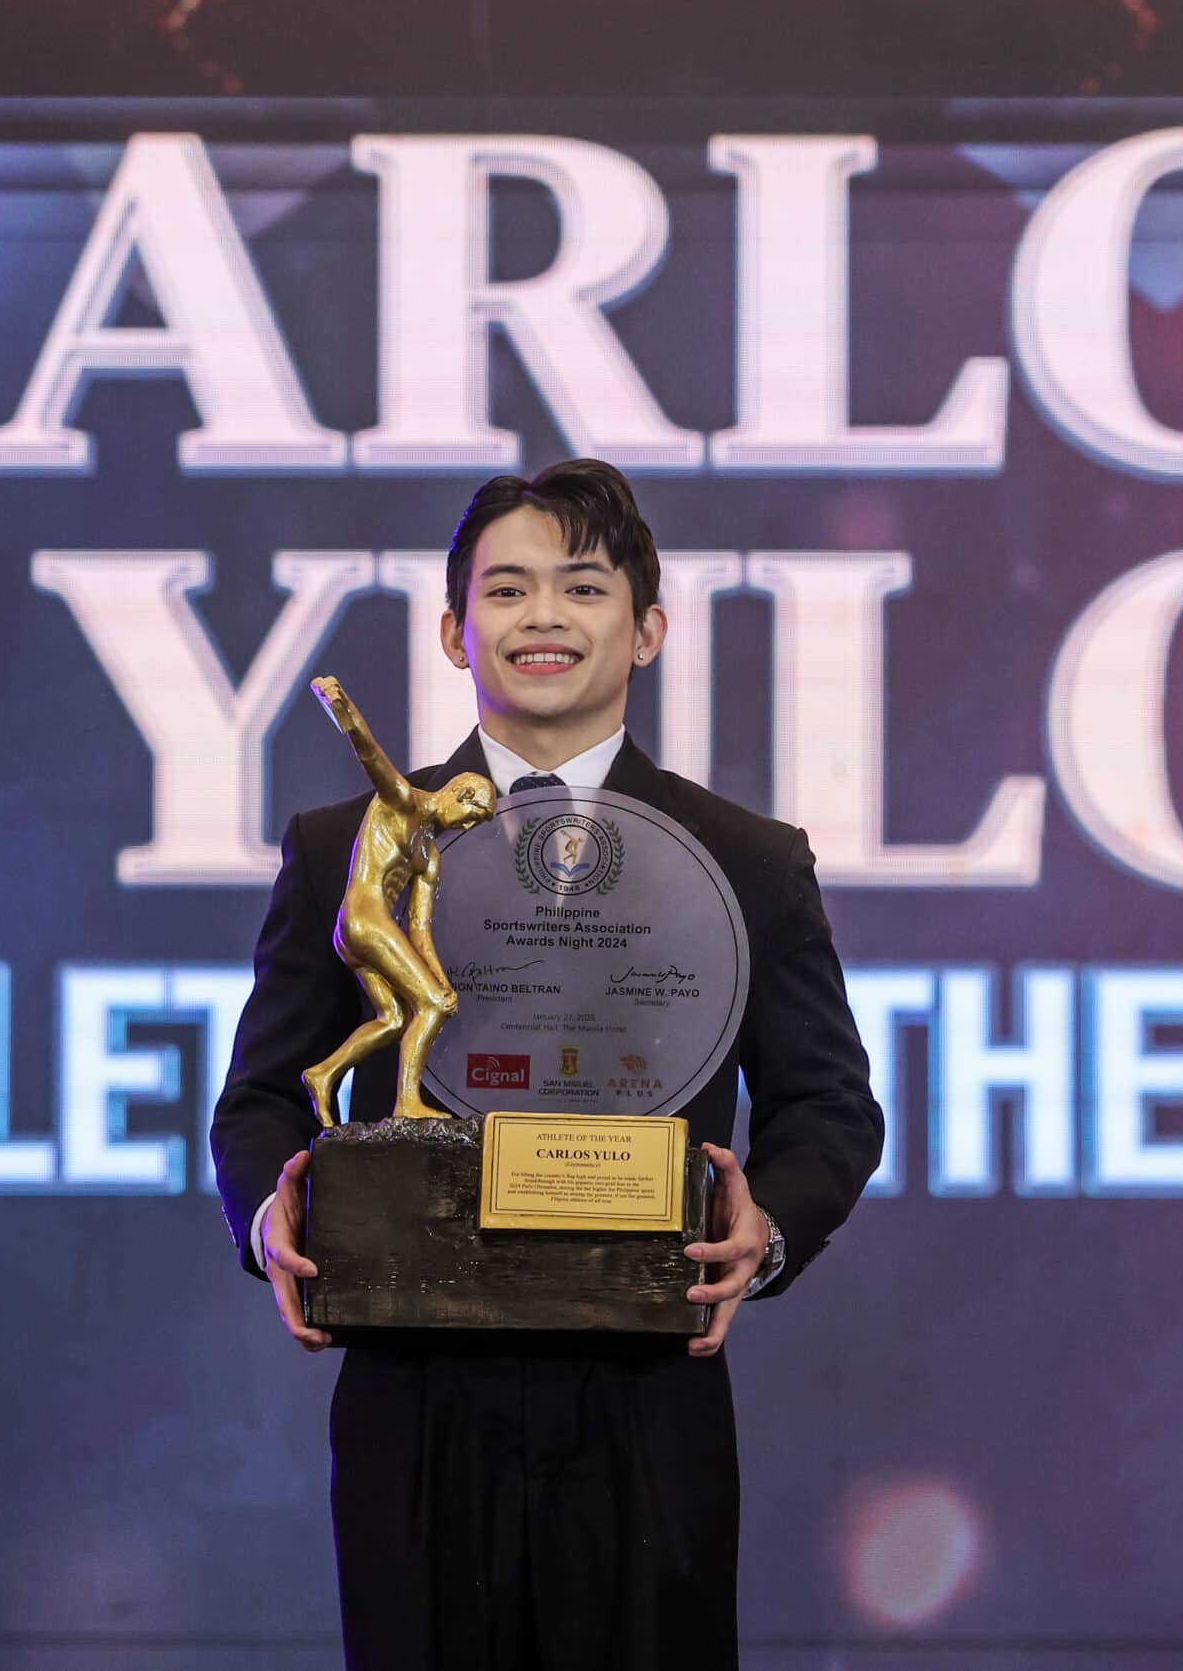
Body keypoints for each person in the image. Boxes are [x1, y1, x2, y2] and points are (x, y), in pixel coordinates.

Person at [209, 457, 884, 1671]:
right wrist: (273, 1212)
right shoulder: (346, 845)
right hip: (417, 1376)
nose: (542, 618)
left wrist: (764, 1227)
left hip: (643, 1379)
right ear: (456, 632)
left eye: (581, 588)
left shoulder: (746, 859)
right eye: (506, 589)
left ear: (647, 630)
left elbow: (830, 1103)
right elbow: (260, 1095)